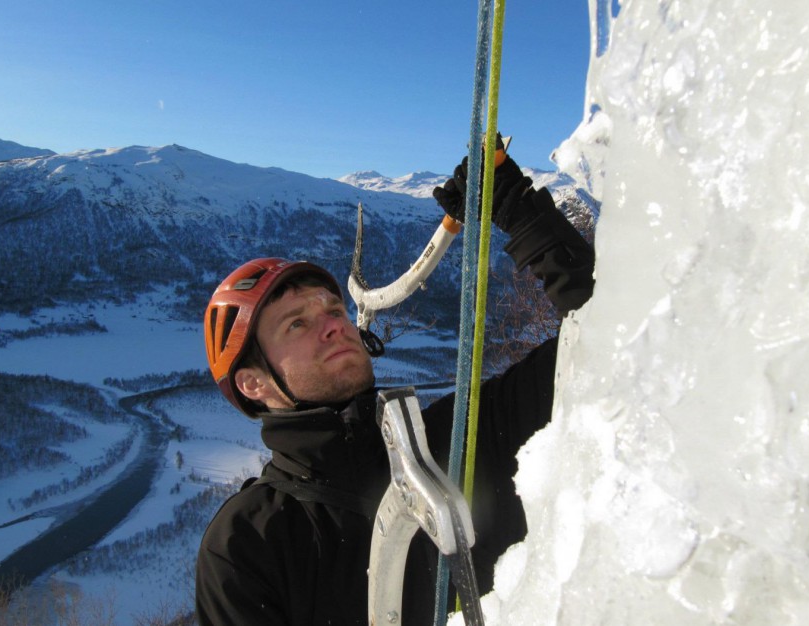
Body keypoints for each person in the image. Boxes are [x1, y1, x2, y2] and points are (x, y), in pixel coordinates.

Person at [195, 150, 596, 626]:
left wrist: (520, 212)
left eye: (334, 310)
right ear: (253, 383)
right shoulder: (249, 543)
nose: (333, 325)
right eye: (296, 324)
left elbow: (606, 343)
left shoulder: (458, 438)